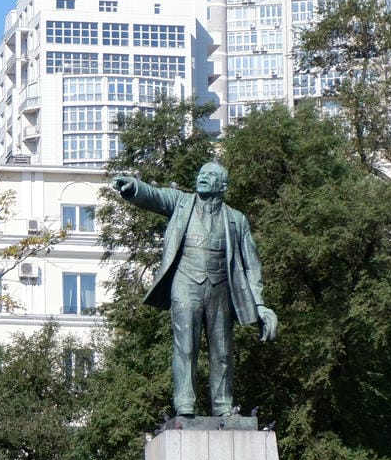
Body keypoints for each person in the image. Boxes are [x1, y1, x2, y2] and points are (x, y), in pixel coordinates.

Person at [112, 161, 278, 419]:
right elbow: (155, 196)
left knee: (222, 351)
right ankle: (184, 403)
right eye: (201, 173)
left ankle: (223, 406)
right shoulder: (180, 203)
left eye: (210, 175)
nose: (202, 177)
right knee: (185, 345)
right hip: (186, 283)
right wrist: (134, 187)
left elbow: (252, 266)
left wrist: (259, 304)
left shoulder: (236, 219)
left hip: (221, 288)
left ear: (222, 185)